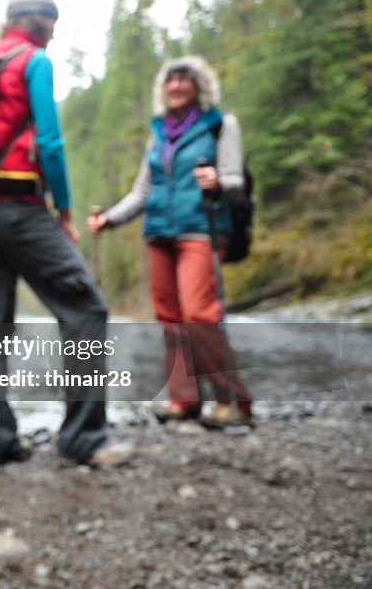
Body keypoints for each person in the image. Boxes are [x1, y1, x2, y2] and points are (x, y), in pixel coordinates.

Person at [0, 0, 134, 467]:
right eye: (53, 22)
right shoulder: (33, 61)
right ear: (40, 23)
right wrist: (63, 209)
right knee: (87, 308)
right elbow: (52, 143)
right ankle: (84, 439)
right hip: (20, 205)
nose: (55, 31)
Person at [87, 56, 255, 430]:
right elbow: (143, 190)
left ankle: (234, 402)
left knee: (199, 315)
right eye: (170, 80)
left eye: (184, 79)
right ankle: (185, 400)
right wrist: (110, 218)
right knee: (170, 319)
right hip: (159, 233)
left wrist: (217, 180)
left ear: (200, 86)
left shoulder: (221, 125)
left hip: (202, 229)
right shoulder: (159, 131)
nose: (176, 86)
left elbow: (235, 181)